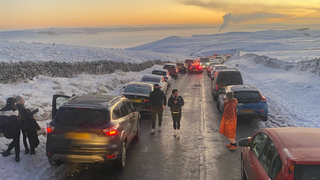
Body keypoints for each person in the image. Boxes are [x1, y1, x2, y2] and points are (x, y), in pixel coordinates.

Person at [0, 98, 21, 162]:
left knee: (15, 141)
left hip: (5, 131)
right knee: (16, 141)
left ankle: (8, 151)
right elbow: (16, 120)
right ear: (14, 103)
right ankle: (17, 156)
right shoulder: (15, 110)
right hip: (14, 129)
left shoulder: (1, 111)